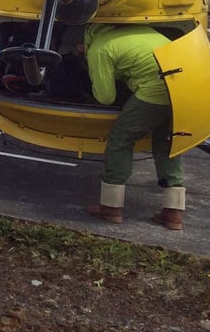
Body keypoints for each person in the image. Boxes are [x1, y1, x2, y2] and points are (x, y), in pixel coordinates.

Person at [79, 24, 186, 230]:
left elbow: (105, 97)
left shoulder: (99, 49)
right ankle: (174, 213)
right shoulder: (141, 32)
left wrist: (95, 77)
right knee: (167, 144)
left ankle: (111, 207)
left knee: (121, 139)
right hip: (184, 88)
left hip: (154, 92)